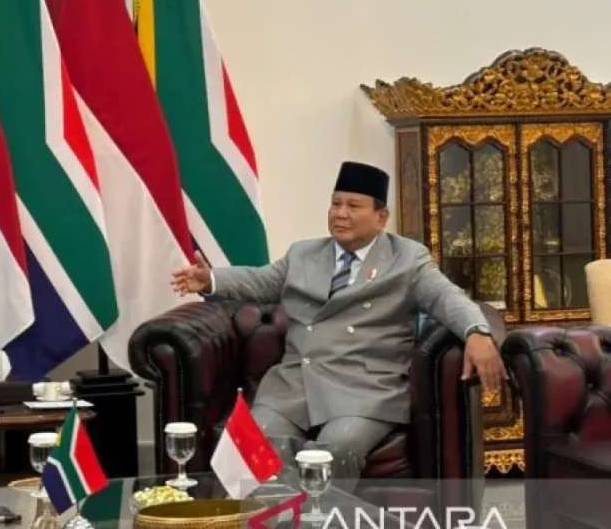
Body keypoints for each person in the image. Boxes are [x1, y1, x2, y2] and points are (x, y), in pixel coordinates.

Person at [171, 161, 505, 483]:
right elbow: (260, 281)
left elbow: (447, 297)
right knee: (255, 446)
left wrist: (476, 331)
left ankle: (317, 515)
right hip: (295, 385)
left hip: (363, 389)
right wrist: (210, 280)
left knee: (337, 448)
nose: (340, 214)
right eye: (335, 203)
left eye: (353, 206)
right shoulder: (303, 254)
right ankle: (275, 515)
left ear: (381, 217)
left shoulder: (407, 260)